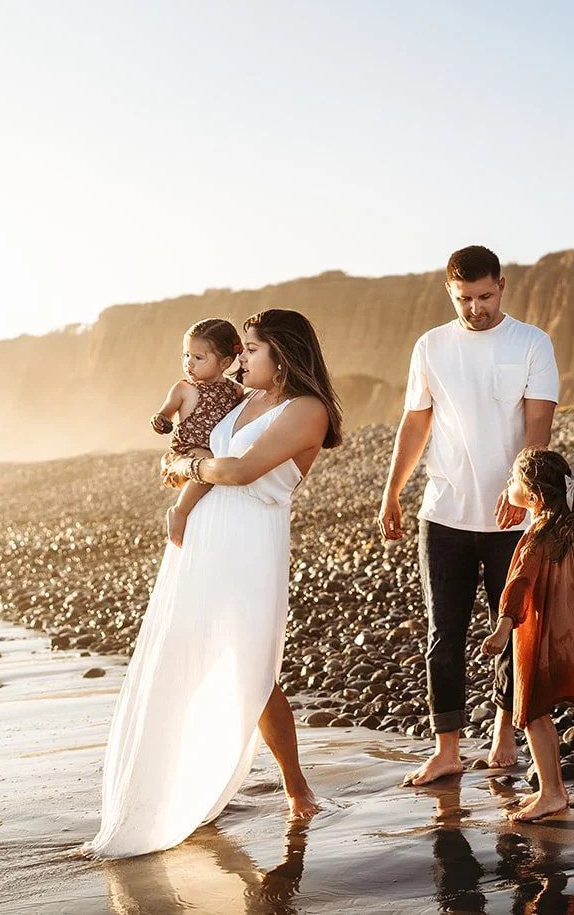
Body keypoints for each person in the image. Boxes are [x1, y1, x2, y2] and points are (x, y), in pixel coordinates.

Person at [81, 309, 344, 860]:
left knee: (252, 664)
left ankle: (297, 789)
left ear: (283, 354)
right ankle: (179, 785)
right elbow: (198, 448)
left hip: (250, 539)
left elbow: (241, 471)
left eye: (251, 349)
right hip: (206, 536)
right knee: (187, 654)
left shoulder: (307, 410)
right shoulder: (244, 400)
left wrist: (189, 471)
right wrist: (185, 489)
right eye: (242, 349)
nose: (241, 357)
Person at [379, 245, 559, 786]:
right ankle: (447, 750)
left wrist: (519, 487)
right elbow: (416, 424)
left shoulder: (531, 342)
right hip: (444, 513)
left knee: (512, 629)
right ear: (449, 292)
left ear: (501, 286)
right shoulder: (431, 346)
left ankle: (505, 734)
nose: (475, 308)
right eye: (464, 299)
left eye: (483, 296)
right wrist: (392, 492)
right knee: (444, 632)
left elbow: (538, 427)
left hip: (513, 519)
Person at [482, 447, 574, 822]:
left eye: (513, 480)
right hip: (560, 636)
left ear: (531, 495)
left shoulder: (536, 535)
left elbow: (519, 584)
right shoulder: (560, 529)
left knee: (532, 715)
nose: (508, 485)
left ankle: (551, 793)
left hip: (537, 637)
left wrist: (502, 627)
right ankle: (553, 789)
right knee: (538, 714)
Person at [150, 318, 246, 547]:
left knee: (216, 464)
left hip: (216, 453)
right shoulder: (184, 389)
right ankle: (179, 511)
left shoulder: (236, 390)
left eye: (198, 357)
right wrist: (160, 421)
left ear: (225, 362)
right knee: (209, 462)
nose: (188, 363)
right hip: (188, 451)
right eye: (186, 355)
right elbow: (164, 413)